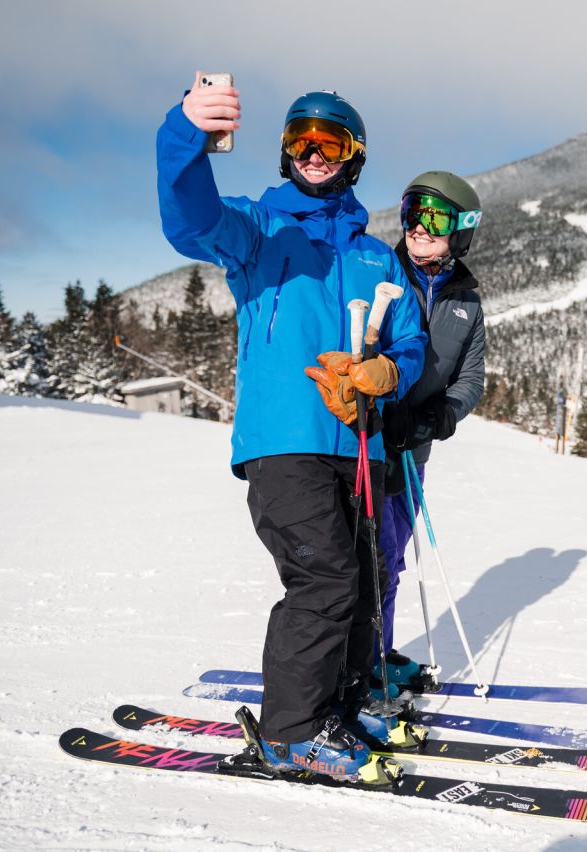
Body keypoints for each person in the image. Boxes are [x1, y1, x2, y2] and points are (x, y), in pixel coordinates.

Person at [156, 73, 427, 782]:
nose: (314, 152)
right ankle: (290, 732)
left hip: (358, 447)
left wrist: (386, 375)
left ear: (353, 154)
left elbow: (408, 343)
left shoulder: (374, 256)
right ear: (284, 153)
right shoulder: (255, 230)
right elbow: (188, 218)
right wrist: (186, 134)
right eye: (300, 141)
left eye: (329, 140)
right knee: (325, 579)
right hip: (283, 445)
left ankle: (336, 708)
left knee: (366, 580)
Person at [374, 172, 487, 691]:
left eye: (434, 218)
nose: (418, 227)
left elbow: (471, 376)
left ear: (460, 230)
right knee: (363, 559)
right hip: (367, 444)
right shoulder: (379, 271)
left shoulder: (467, 301)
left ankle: (377, 653)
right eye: (411, 213)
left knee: (390, 558)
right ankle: (357, 661)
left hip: (413, 451)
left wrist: (441, 415)